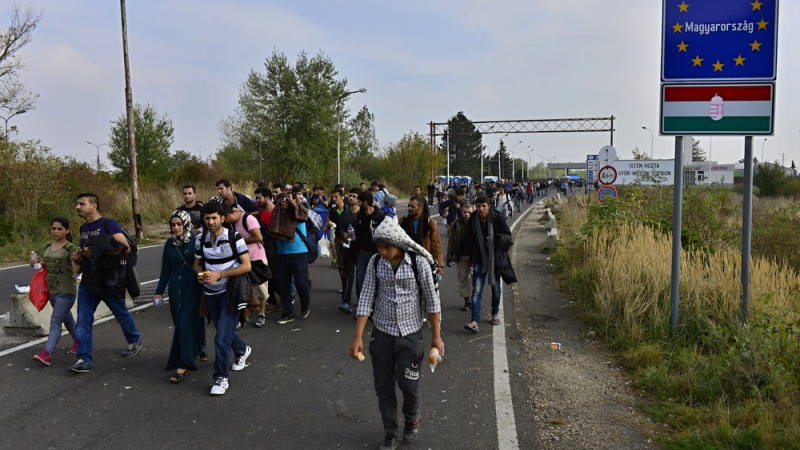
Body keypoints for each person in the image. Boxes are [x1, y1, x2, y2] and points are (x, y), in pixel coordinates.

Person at [350, 218, 443, 450]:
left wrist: (436, 337)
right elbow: (366, 299)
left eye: (386, 247)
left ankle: (412, 418)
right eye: (379, 247)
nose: (382, 251)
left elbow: (432, 302)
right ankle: (391, 433)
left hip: (410, 336)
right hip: (382, 334)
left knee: (408, 385)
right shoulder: (374, 263)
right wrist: (358, 336)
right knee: (383, 387)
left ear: (399, 244)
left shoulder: (417, 263)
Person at [69, 193, 142, 373]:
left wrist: (95, 250)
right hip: (88, 282)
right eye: (77, 204)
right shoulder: (83, 228)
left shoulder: (108, 224)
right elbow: (86, 254)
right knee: (83, 320)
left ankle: (134, 340)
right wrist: (80, 256)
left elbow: (125, 247)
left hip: (109, 281)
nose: (78, 207)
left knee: (121, 313)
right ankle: (83, 359)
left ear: (94, 206)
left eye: (82, 204)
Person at [193, 201, 252, 395]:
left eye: (214, 218)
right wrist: (201, 276)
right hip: (211, 293)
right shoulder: (201, 240)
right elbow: (197, 264)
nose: (210, 221)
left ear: (222, 218)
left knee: (220, 338)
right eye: (207, 218)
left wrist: (221, 274)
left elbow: (246, 266)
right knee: (223, 332)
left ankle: (220, 378)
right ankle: (242, 350)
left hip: (231, 293)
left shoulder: (235, 238)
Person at [153, 210, 205, 383]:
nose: (176, 228)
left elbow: (204, 262)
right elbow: (165, 269)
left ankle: (183, 365)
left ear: (186, 224)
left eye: (179, 224)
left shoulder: (196, 241)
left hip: (193, 287)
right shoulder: (169, 244)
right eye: (173, 225)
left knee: (185, 324)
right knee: (182, 323)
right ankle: (199, 346)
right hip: (175, 289)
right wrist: (159, 291)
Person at [32, 217, 80, 366]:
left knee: (55, 321)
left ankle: (47, 353)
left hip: (66, 291)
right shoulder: (48, 246)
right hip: (52, 291)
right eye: (53, 228)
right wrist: (36, 264)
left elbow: (77, 269)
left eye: (60, 229)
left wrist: (80, 260)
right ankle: (79, 342)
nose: (56, 231)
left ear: (67, 230)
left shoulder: (70, 248)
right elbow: (49, 264)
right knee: (68, 319)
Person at [463, 195, 512, 333]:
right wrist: (470, 257)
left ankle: (495, 313)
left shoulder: (497, 218)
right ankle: (475, 321)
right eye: (478, 206)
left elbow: (507, 236)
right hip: (479, 259)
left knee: (496, 289)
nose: (481, 209)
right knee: (477, 290)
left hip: (494, 259)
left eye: (484, 206)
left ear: (489, 206)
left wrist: (494, 242)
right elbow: (469, 239)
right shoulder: (473, 219)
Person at [270, 193, 312, 325]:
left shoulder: (298, 211)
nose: (283, 203)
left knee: (301, 283)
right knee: (284, 285)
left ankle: (305, 304)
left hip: (299, 252)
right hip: (282, 253)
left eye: (286, 200)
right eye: (280, 201)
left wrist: (290, 204)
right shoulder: (277, 214)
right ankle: (288, 312)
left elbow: (299, 212)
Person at [225, 207, 269, 328]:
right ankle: (244, 316)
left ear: (229, 215)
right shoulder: (233, 224)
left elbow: (259, 237)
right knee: (244, 289)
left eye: (226, 219)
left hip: (257, 259)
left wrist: (239, 241)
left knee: (262, 290)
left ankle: (261, 313)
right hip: (243, 261)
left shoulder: (248, 218)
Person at [399, 196, 444, 277]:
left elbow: (436, 244)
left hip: (425, 261)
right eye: (408, 206)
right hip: (407, 262)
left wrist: (439, 264)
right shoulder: (403, 222)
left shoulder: (429, 223)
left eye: (412, 206)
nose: (409, 208)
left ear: (421, 208)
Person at [354, 190, 386, 300]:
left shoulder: (380, 216)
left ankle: (375, 309)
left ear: (365, 203)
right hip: (362, 254)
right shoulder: (360, 216)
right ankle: (362, 308)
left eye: (359, 202)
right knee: (359, 282)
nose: (357, 204)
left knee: (377, 283)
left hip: (376, 255)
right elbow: (356, 233)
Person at [336, 188, 361, 313]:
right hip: (348, 249)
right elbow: (339, 229)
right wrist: (344, 234)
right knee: (347, 276)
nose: (350, 198)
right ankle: (346, 301)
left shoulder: (362, 214)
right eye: (349, 196)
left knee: (361, 279)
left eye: (354, 196)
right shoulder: (345, 214)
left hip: (361, 251)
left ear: (359, 199)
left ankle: (362, 304)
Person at [446, 203, 474, 312]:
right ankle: (467, 301)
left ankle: (476, 300)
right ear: (461, 212)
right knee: (463, 279)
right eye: (465, 212)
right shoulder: (455, 224)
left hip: (475, 257)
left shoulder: (477, 223)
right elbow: (451, 242)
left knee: (476, 279)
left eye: (469, 212)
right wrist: (449, 257)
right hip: (461, 256)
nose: (467, 215)